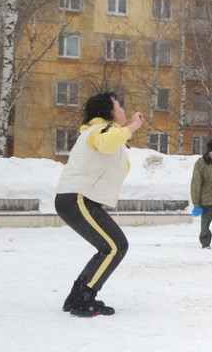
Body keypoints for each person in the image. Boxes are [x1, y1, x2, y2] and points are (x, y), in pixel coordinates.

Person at [55, 92, 144, 317]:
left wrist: (125, 134)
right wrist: (133, 126)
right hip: (78, 199)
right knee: (115, 246)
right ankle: (84, 298)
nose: (123, 109)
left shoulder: (98, 132)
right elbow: (106, 144)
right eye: (119, 105)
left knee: (109, 247)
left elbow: (110, 153)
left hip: (78, 199)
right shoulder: (101, 130)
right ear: (109, 112)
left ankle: (77, 297)